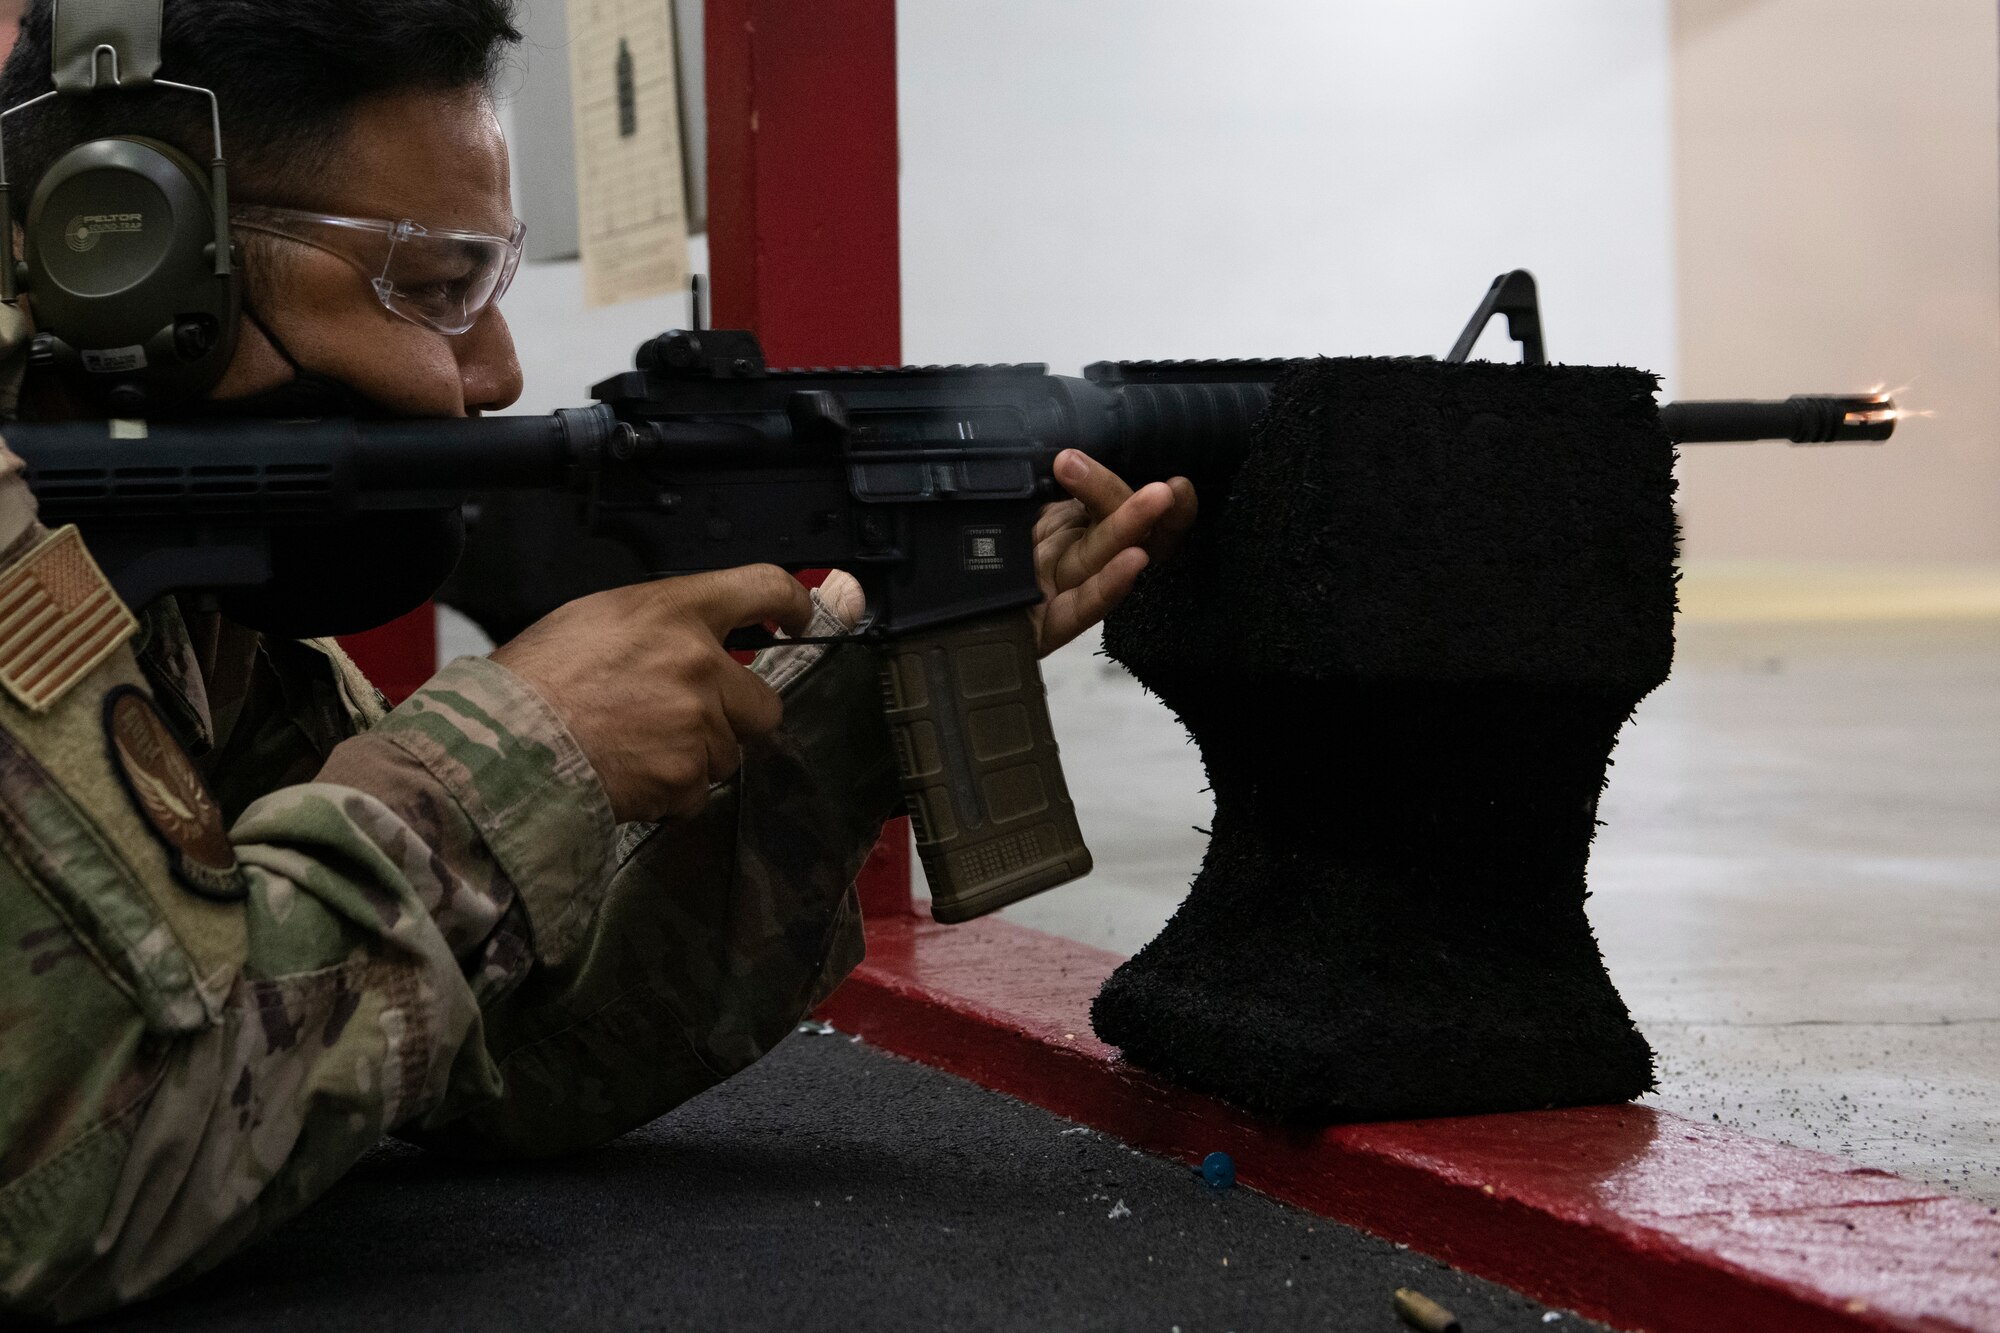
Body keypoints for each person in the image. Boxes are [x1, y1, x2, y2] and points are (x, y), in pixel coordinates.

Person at [0, 0, 1197, 1320]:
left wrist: (853, 702)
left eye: (493, 285)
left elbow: (465, 1045)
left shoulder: (165, 584)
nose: (502, 369)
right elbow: (73, 1188)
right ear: (135, 252)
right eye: (436, 286)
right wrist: (513, 759)